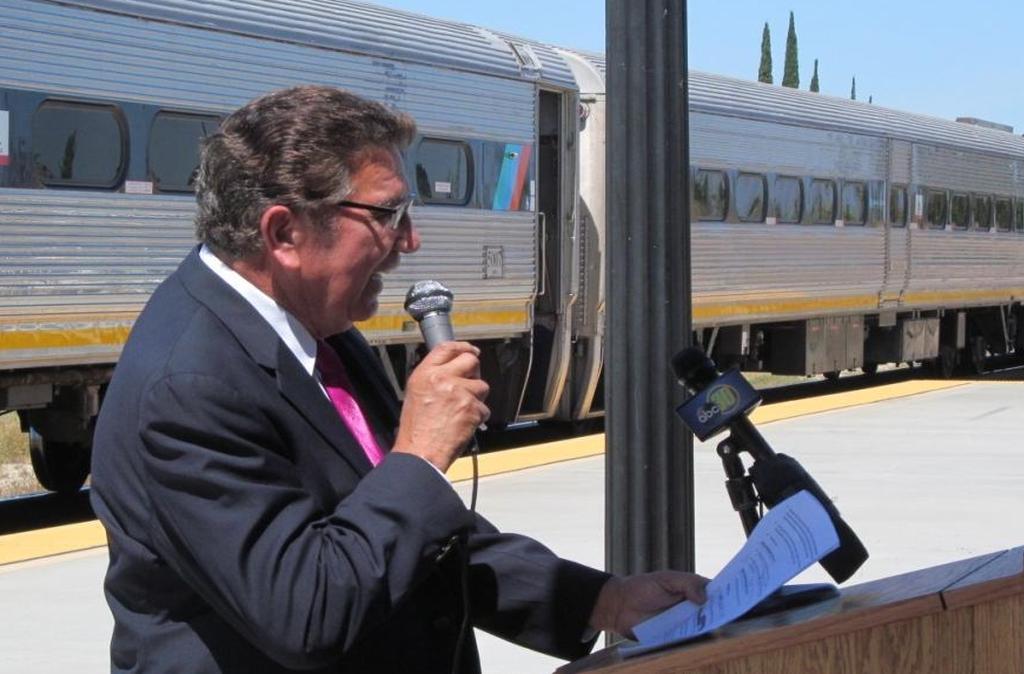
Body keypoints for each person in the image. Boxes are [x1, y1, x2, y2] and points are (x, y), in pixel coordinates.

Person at [90, 85, 706, 673]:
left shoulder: (319, 331)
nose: (408, 241)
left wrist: (603, 602)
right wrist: (420, 453)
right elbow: (305, 613)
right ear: (283, 233)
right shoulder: (190, 387)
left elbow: (420, 537)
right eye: (386, 214)